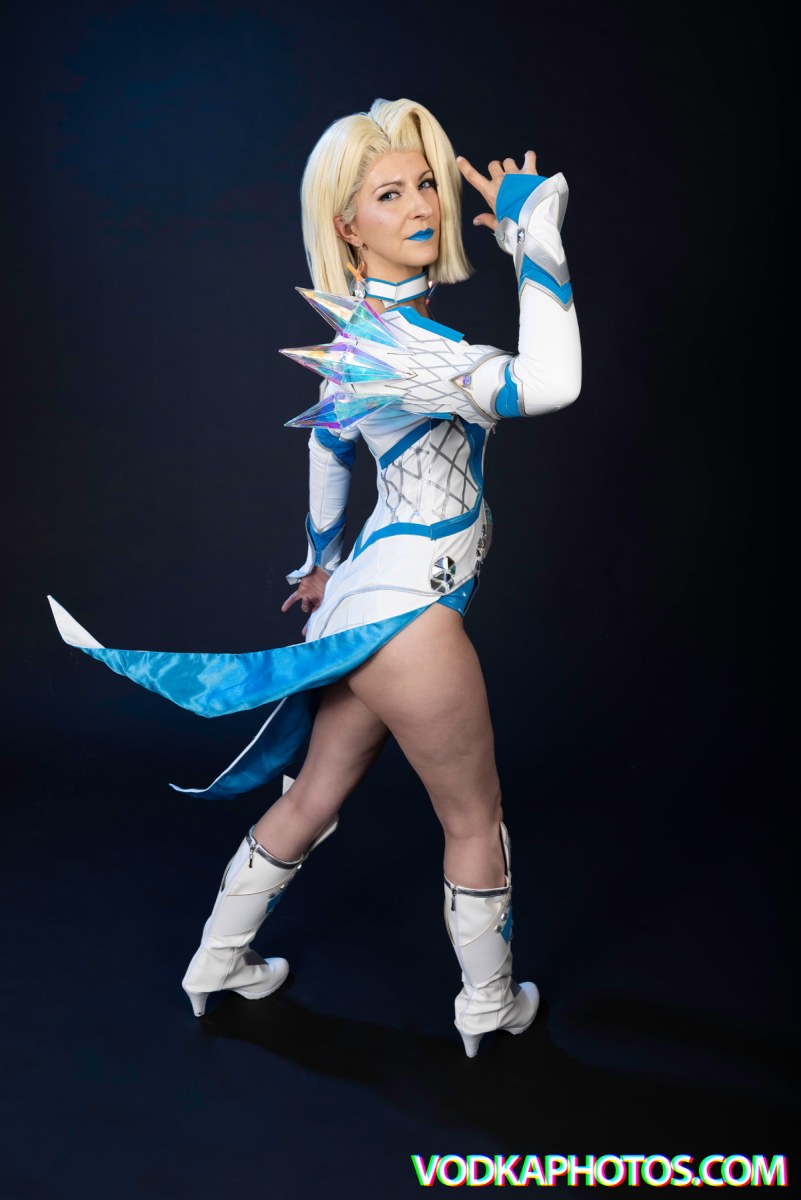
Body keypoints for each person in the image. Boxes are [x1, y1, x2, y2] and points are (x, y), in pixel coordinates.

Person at [48, 97, 581, 1057]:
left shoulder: (359, 337)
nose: (420, 205)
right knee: (475, 819)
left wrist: (321, 563)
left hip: (363, 602)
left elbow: (328, 445)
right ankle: (489, 1006)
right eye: (389, 194)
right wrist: (534, 237)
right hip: (413, 619)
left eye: (424, 184)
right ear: (347, 225)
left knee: (313, 794)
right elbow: (553, 385)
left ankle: (216, 963)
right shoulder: (419, 354)